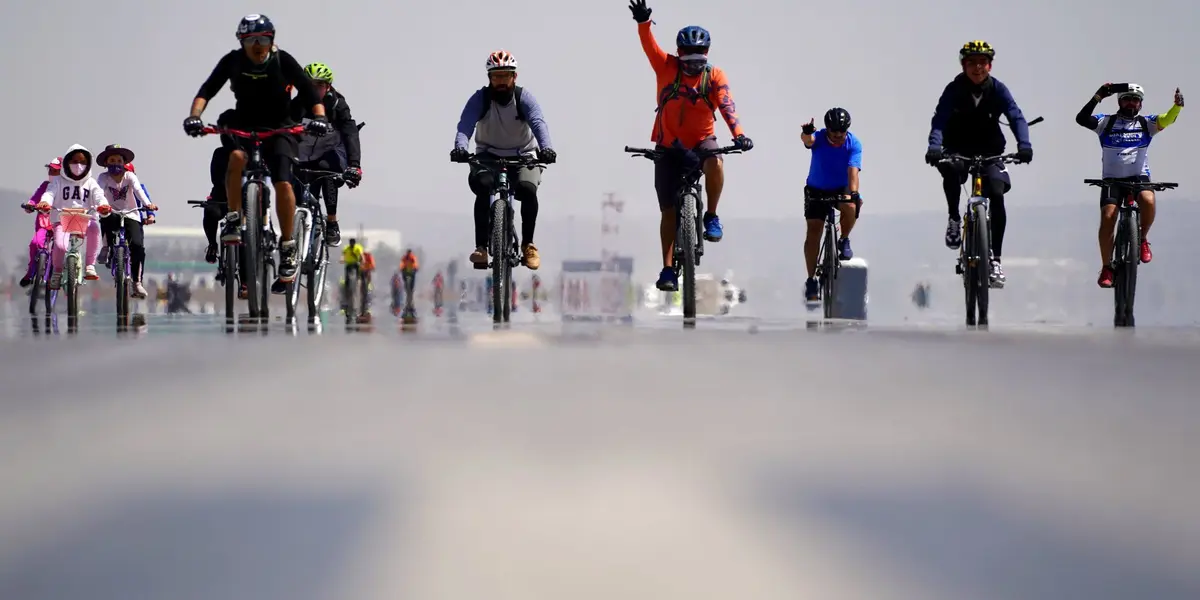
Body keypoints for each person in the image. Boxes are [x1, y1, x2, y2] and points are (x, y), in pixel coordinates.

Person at [183, 13, 330, 286]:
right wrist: (195, 116)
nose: (257, 45)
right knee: (235, 157)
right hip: (244, 125)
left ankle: (287, 248)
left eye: (263, 39)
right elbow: (207, 90)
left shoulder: (282, 60)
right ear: (242, 42)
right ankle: (233, 219)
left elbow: (309, 92)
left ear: (271, 40)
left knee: (283, 183)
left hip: (280, 128)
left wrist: (319, 118)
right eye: (250, 40)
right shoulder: (233, 61)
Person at [627, 0, 753, 292]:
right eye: (688, 57)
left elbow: (727, 106)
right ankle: (668, 269)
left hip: (701, 142)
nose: (694, 63)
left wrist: (740, 135)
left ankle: (711, 215)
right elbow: (649, 46)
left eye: (700, 57)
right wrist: (644, 23)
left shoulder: (715, 76)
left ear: (707, 55)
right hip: (668, 145)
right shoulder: (666, 67)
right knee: (668, 211)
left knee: (716, 161)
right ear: (679, 54)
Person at [925, 40, 1033, 288]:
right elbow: (939, 119)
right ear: (963, 65)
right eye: (971, 63)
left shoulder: (998, 89)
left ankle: (995, 259)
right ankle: (954, 218)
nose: (977, 68)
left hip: (991, 150)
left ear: (990, 65)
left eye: (982, 63)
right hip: (957, 148)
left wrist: (1024, 145)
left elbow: (1015, 116)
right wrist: (934, 146)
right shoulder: (954, 89)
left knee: (996, 193)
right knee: (951, 171)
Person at [450, 49, 557, 271]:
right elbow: (465, 125)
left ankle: (528, 245)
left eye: (505, 76)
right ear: (489, 78)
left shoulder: (523, 98)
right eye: (496, 76)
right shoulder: (480, 99)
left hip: (523, 155)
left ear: (514, 77)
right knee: (483, 188)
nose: (501, 81)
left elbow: (538, 123)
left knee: (528, 189)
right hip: (487, 156)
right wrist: (460, 148)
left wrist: (546, 149)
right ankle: (481, 247)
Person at [1076, 83, 1184, 288]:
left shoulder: (1147, 123)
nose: (1131, 103)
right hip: (1112, 180)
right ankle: (1107, 267)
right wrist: (1098, 96)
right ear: (1119, 101)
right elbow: (1081, 119)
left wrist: (1177, 107)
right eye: (1127, 99)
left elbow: (1167, 119)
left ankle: (1142, 238)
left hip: (1138, 177)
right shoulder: (1105, 122)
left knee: (1148, 199)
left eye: (1135, 100)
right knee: (1108, 217)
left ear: (1141, 104)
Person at [291, 62, 363, 246]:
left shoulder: (338, 105)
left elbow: (350, 133)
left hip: (330, 154)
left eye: (319, 86)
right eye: (309, 85)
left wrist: (354, 165)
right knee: (296, 195)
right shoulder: (296, 106)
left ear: (328, 87)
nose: (314, 90)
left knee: (327, 170)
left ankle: (331, 222)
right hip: (303, 156)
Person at [800, 108, 863, 302]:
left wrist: (853, 194)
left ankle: (844, 239)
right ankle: (811, 280)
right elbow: (807, 141)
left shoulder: (854, 144)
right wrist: (807, 132)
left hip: (840, 188)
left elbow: (853, 171)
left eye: (841, 134)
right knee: (813, 233)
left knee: (851, 206)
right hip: (816, 189)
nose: (837, 137)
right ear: (827, 130)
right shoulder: (818, 137)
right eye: (833, 134)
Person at [33, 144, 112, 288]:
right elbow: (49, 194)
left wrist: (104, 205)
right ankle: (57, 272)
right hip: (62, 220)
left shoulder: (91, 182)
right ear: (67, 162)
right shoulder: (58, 181)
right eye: (74, 161)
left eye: (82, 162)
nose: (78, 165)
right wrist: (45, 202)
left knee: (94, 228)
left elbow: (99, 196)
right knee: (61, 246)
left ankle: (89, 265)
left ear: (88, 164)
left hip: (85, 219)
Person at [95, 145, 158, 298]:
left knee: (137, 246)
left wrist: (148, 205)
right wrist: (101, 204)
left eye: (118, 160)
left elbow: (139, 190)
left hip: (131, 215)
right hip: (112, 212)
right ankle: (107, 246)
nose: (115, 163)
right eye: (112, 160)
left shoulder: (129, 176)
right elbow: (98, 191)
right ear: (106, 163)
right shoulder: (103, 178)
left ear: (124, 162)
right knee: (105, 217)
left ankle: (137, 282)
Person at [20, 157, 61, 288]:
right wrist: (30, 205)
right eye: (50, 170)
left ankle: (54, 275)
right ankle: (30, 273)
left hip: (59, 224)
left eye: (55, 171)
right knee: (34, 243)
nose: (51, 174)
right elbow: (34, 199)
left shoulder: (66, 187)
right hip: (43, 224)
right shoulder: (45, 186)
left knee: (59, 249)